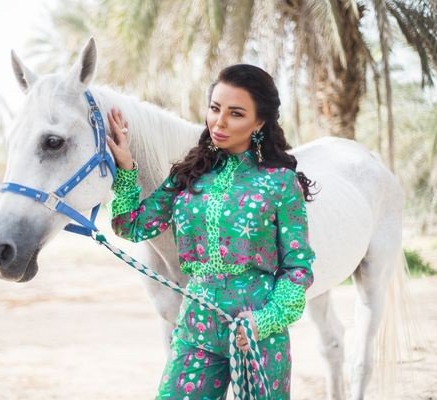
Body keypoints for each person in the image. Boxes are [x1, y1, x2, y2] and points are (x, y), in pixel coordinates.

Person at [106, 64, 316, 399]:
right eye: (215, 108)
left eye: (235, 113)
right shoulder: (189, 175)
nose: (219, 122)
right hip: (196, 327)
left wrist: (266, 320)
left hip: (258, 334)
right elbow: (131, 225)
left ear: (259, 122)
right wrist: (127, 169)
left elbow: (298, 268)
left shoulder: (279, 182)